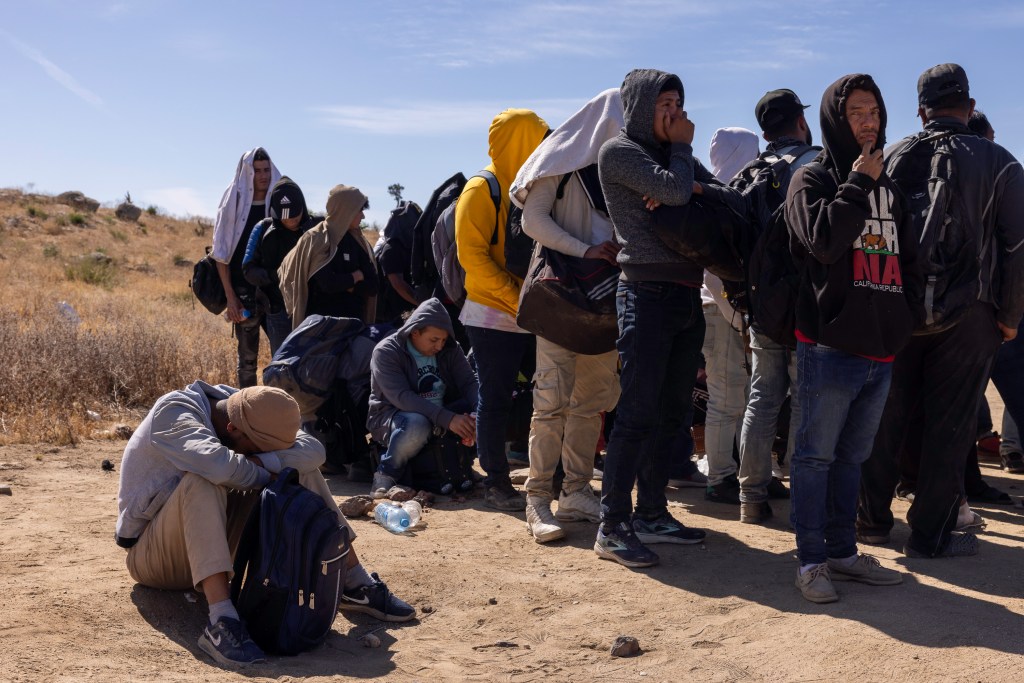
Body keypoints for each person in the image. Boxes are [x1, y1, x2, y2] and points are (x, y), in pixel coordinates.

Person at [116, 384, 414, 668]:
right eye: (255, 449)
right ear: (232, 429)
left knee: (301, 472)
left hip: (207, 539)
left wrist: (265, 463)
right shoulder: (174, 413)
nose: (257, 455)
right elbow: (217, 465)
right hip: (153, 557)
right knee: (201, 480)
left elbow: (313, 451)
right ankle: (221, 620)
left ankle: (353, 581)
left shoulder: (244, 404)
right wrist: (274, 467)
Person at [856, 64, 1024, 559]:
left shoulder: (894, 156)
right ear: (969, 109)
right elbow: (1016, 248)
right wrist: (1010, 316)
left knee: (887, 417)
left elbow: (874, 238)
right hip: (972, 313)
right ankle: (932, 533)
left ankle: (871, 522)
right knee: (950, 425)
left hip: (899, 310)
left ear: (920, 110)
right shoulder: (1002, 163)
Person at [595, 68, 742, 567]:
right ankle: (612, 526)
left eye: (678, 103)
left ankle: (652, 514)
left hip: (683, 295)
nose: (676, 115)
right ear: (639, 108)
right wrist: (682, 169)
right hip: (644, 294)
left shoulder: (671, 160)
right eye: (664, 105)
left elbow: (726, 198)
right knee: (636, 414)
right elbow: (678, 191)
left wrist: (688, 184)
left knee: (673, 414)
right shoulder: (620, 152)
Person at [785, 73, 921, 603]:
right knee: (814, 457)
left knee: (851, 459)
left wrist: (901, 319)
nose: (869, 122)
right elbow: (821, 243)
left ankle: (843, 552)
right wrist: (858, 184)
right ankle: (811, 562)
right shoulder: (812, 179)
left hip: (880, 348)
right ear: (836, 119)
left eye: (875, 112)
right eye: (857, 113)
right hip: (829, 344)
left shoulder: (889, 185)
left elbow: (905, 257)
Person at [509, 88, 624, 542]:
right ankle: (537, 499)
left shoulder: (623, 165)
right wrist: (586, 249)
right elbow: (532, 221)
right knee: (550, 403)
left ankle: (576, 491)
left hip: (605, 302)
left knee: (591, 403)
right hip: (561, 299)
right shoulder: (559, 159)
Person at [455, 108, 549, 511]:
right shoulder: (482, 189)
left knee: (544, 394)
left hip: (531, 311)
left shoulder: (534, 185)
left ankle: (549, 474)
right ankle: (496, 480)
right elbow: (472, 258)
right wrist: (518, 298)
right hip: (491, 313)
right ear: (519, 142)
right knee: (494, 398)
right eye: (537, 138)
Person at [737, 89, 821, 523]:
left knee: (762, 398)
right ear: (801, 123)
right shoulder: (817, 164)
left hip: (760, 303)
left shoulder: (751, 171)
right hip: (807, 304)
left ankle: (751, 498)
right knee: (805, 401)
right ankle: (803, 500)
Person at [700, 127, 759, 505]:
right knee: (725, 396)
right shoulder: (720, 199)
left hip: (730, 311)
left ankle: (735, 470)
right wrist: (737, 317)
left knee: (738, 395)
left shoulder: (719, 193)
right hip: (721, 310)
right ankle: (720, 476)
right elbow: (711, 269)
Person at [367, 298, 478, 496]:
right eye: (434, 340)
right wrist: (447, 419)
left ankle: (462, 466)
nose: (439, 346)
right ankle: (386, 473)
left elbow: (469, 383)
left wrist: (478, 413)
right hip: (394, 416)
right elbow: (402, 397)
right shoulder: (386, 351)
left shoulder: (451, 349)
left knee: (487, 410)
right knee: (417, 424)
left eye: (443, 340)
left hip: (441, 411)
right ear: (415, 331)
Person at [211, 148, 282, 387]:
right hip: (243, 293)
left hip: (274, 293)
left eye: (266, 170)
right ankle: (247, 412)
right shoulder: (233, 201)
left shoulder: (280, 202)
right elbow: (221, 255)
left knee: (283, 356)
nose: (262, 176)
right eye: (257, 170)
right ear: (247, 173)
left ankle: (277, 410)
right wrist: (231, 298)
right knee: (248, 359)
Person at [279, 184, 379, 330]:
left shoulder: (360, 243)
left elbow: (373, 286)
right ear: (346, 210)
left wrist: (346, 285)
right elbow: (327, 284)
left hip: (354, 328)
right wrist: (356, 277)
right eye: (360, 210)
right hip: (319, 330)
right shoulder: (316, 239)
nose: (363, 216)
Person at [242, 176, 317, 354]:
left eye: (295, 215)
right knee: (283, 364)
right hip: (277, 309)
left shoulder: (316, 228)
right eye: (285, 217)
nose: (291, 221)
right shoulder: (262, 229)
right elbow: (248, 269)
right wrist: (279, 275)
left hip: (313, 309)